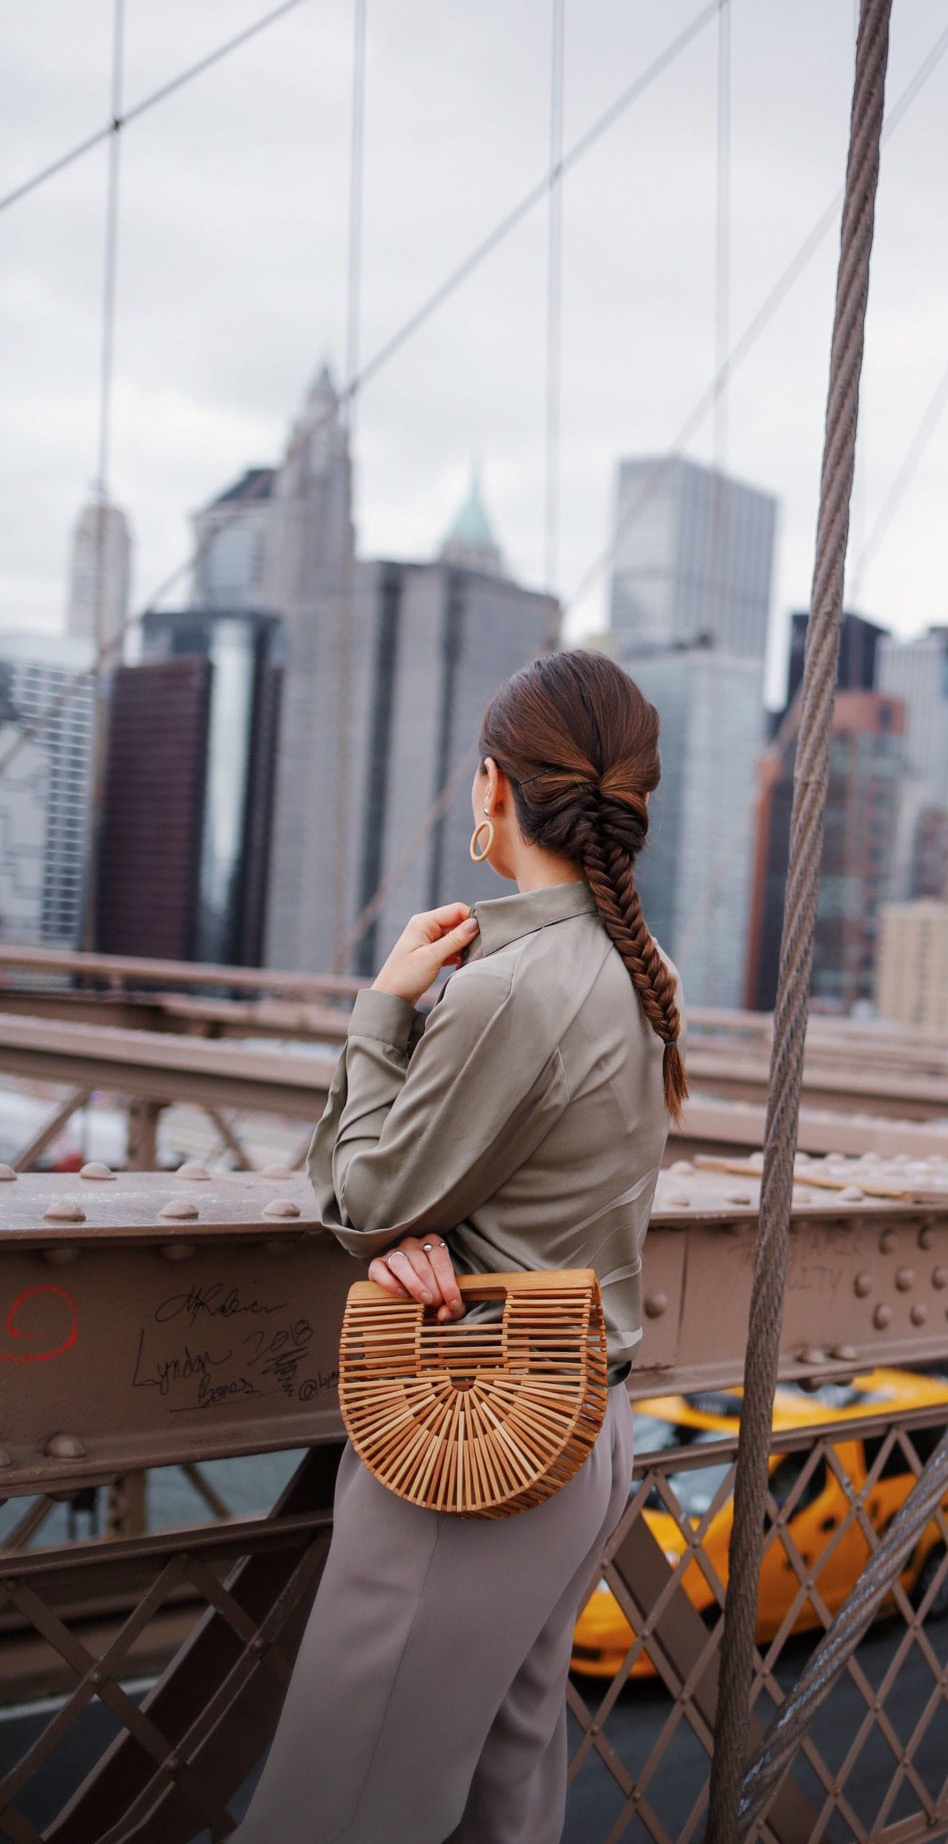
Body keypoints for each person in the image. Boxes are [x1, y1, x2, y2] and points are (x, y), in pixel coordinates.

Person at [231, 646, 687, 1844]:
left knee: (333, 1812)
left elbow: (369, 1194)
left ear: (492, 787)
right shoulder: (642, 970)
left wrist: (383, 1010)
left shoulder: (510, 985)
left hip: (471, 1439)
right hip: (584, 1429)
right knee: (502, 1803)